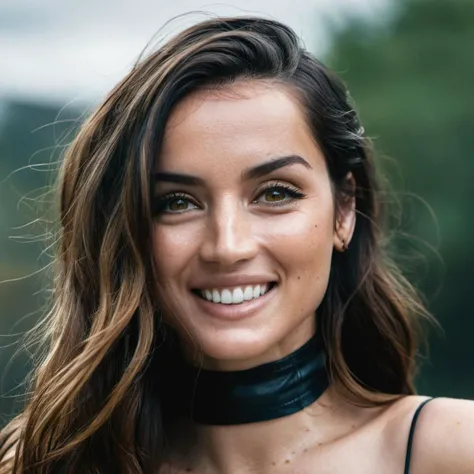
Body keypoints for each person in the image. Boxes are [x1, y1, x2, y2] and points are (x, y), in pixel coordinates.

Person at [0, 15, 473, 474]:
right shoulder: (42, 461)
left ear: (344, 209)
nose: (227, 247)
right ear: (127, 229)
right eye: (178, 202)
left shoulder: (452, 450)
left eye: (275, 194)